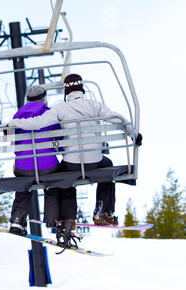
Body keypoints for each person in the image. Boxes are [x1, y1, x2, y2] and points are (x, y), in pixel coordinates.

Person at [8, 74, 143, 229]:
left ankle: (67, 221)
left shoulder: (59, 108)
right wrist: (133, 133)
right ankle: (103, 212)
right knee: (108, 167)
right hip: (95, 162)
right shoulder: (94, 105)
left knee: (64, 179)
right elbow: (116, 118)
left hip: (71, 164)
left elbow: (38, 123)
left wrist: (13, 122)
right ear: (82, 89)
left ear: (66, 92)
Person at [8, 85, 77, 238]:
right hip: (48, 167)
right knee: (54, 183)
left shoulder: (16, 116)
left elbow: (13, 145)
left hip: (23, 167)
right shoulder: (49, 114)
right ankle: (52, 220)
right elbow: (60, 140)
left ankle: (17, 220)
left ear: (27, 99)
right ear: (44, 98)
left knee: (23, 184)